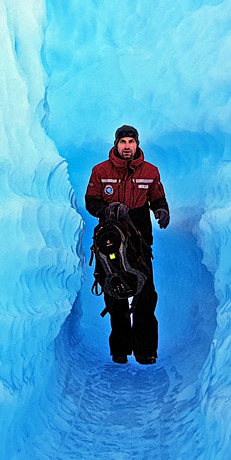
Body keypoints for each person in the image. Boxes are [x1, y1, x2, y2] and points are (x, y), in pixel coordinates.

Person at [84, 125, 170, 364]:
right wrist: (107, 209)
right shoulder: (100, 171)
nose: (127, 146)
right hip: (110, 242)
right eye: (123, 142)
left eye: (131, 142)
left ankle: (145, 351)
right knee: (115, 292)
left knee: (145, 293)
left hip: (139, 241)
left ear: (137, 144)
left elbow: (157, 197)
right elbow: (91, 201)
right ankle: (120, 350)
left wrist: (162, 209)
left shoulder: (150, 171)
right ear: (116, 144)